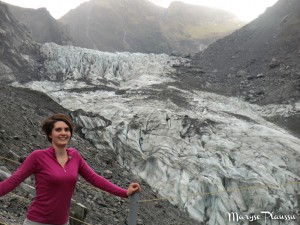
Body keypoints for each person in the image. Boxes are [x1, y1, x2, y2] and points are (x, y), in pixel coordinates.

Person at [0, 113, 140, 225]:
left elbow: (95, 179)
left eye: (67, 129)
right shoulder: (38, 157)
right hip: (37, 221)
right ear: (50, 134)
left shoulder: (75, 156)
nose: (63, 133)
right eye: (58, 129)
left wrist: (124, 192)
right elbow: (14, 180)